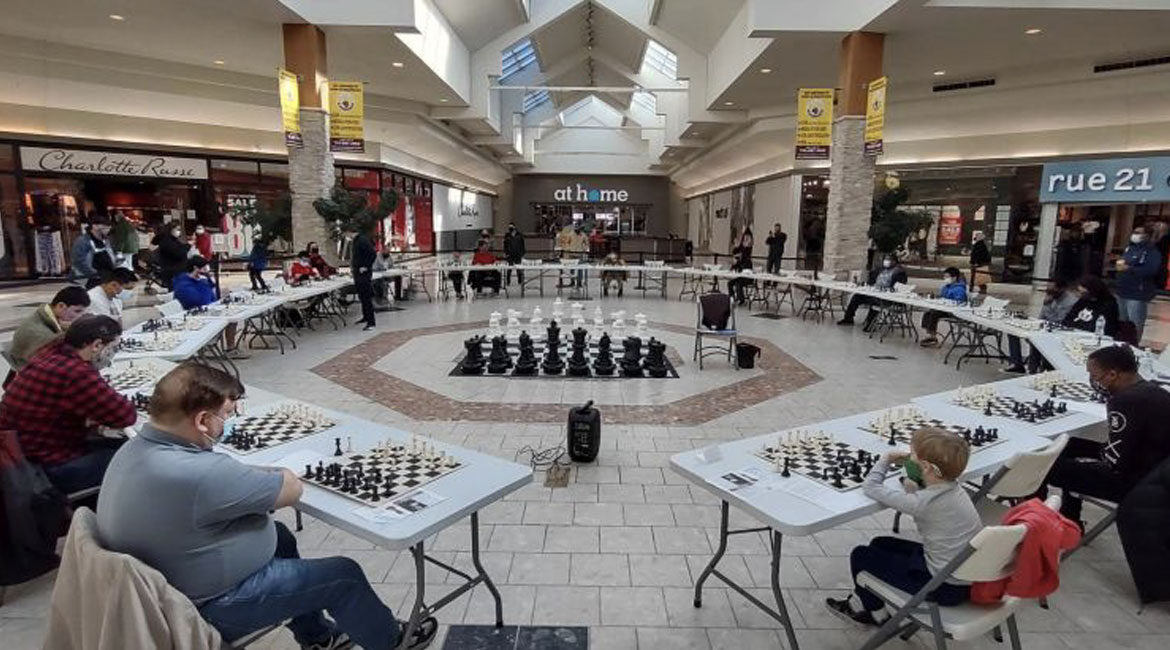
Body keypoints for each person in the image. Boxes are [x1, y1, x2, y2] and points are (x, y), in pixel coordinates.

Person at [95, 363, 437, 650]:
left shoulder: (131, 450)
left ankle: (317, 637)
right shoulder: (200, 473)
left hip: (166, 583)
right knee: (343, 574)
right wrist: (268, 473)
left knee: (280, 536)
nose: (228, 424)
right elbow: (291, 489)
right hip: (208, 605)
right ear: (201, 421)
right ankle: (394, 642)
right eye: (226, 415)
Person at [826, 428, 981, 626]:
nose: (909, 457)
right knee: (880, 543)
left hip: (942, 586)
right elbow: (927, 496)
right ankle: (863, 601)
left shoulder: (922, 503)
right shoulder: (956, 489)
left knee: (860, 555)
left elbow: (871, 487)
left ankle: (875, 614)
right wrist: (914, 484)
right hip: (961, 575)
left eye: (912, 454)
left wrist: (887, 458)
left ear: (925, 467)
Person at [0, 315, 135, 494]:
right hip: (49, 468)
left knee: (122, 444)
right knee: (138, 457)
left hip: (24, 455)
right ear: (96, 346)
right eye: (112, 348)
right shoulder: (76, 372)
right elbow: (125, 416)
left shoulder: (51, 353)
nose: (112, 356)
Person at [1040, 345, 1170, 527]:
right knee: (1070, 445)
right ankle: (1070, 519)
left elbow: (1115, 461)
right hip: (1156, 471)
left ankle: (1035, 526)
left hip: (1137, 483)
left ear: (1112, 375)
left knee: (1044, 465)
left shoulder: (1124, 400)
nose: (1094, 381)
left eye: (1095, 376)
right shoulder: (1154, 391)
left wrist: (1089, 462)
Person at [1005, 279, 1080, 373]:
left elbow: (1060, 320)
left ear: (1062, 289)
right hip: (1044, 326)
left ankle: (1033, 369)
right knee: (1013, 332)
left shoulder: (1070, 301)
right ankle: (1016, 363)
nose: (1049, 292)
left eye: (1053, 289)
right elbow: (1041, 317)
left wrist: (1048, 305)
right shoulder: (1051, 296)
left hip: (1058, 331)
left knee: (1036, 339)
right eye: (1048, 289)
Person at [9, 286, 91, 372]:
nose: (80, 316)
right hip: (29, 375)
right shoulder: (42, 334)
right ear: (61, 306)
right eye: (77, 311)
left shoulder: (44, 316)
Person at [174, 257, 245, 356]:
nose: (207, 270)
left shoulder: (199, 281)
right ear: (196, 268)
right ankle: (229, 348)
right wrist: (204, 284)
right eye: (204, 268)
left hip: (206, 310)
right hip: (195, 315)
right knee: (230, 320)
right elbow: (201, 301)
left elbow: (213, 297)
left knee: (233, 317)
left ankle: (230, 348)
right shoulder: (184, 285)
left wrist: (208, 281)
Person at [1114, 225, 1162, 343]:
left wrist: (1129, 269)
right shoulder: (1130, 248)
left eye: (1138, 233)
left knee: (1135, 324)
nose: (1135, 234)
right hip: (1122, 290)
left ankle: (1133, 346)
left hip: (1137, 293)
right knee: (1121, 322)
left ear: (1147, 235)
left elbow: (1151, 270)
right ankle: (1119, 344)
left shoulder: (1152, 252)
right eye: (1134, 232)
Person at [837, 254, 908, 329]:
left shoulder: (899, 272)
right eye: (885, 259)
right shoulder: (881, 269)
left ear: (894, 261)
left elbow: (898, 287)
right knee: (857, 297)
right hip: (874, 292)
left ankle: (870, 323)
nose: (886, 261)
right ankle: (848, 318)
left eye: (889, 259)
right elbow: (872, 279)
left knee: (875, 302)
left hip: (887, 297)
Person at [919, 267, 968, 348]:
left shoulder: (960, 289)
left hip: (954, 312)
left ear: (954, 277)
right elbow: (942, 296)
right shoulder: (946, 287)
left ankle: (932, 337)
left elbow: (960, 302)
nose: (945, 279)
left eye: (947, 277)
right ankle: (931, 334)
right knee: (929, 312)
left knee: (934, 314)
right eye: (945, 277)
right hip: (945, 308)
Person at [352, 225, 378, 331]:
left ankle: (371, 322)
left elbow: (372, 254)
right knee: (362, 296)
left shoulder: (362, 240)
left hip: (363, 273)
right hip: (358, 272)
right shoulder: (358, 240)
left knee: (366, 297)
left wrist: (366, 266)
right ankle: (366, 317)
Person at [152, 223, 191, 289]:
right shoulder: (167, 241)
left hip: (174, 269)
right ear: (170, 230)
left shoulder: (172, 239)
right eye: (177, 229)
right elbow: (178, 253)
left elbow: (179, 248)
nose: (179, 232)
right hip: (173, 270)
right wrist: (188, 246)